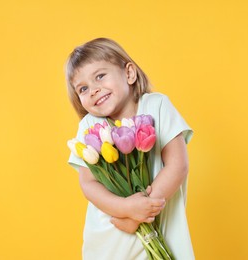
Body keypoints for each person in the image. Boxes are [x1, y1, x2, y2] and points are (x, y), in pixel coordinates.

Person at [66, 38, 195, 260]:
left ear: (129, 73)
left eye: (100, 76)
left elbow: (178, 165)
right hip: (113, 233)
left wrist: (140, 212)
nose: (94, 90)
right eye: (83, 88)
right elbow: (88, 183)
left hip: (157, 225)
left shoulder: (157, 106)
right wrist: (125, 209)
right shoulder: (89, 126)